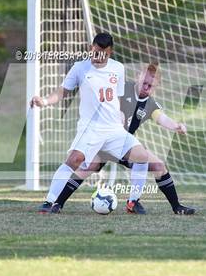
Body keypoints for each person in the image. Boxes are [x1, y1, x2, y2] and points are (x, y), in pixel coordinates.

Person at [50, 62, 196, 215]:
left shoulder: (150, 104)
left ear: (156, 86)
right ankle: (57, 203)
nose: (146, 87)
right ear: (137, 77)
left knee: (158, 165)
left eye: (150, 86)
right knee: (88, 166)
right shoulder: (121, 88)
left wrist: (176, 126)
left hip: (122, 145)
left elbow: (162, 118)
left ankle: (171, 206)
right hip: (102, 139)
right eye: (144, 83)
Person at [31, 33, 149, 214]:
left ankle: (133, 202)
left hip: (113, 129)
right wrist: (45, 101)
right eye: (95, 52)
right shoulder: (80, 68)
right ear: (90, 48)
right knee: (74, 160)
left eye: (103, 53)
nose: (98, 57)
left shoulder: (118, 68)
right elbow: (63, 92)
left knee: (142, 156)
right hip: (90, 128)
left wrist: (121, 113)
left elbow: (117, 97)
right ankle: (50, 202)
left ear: (110, 52)